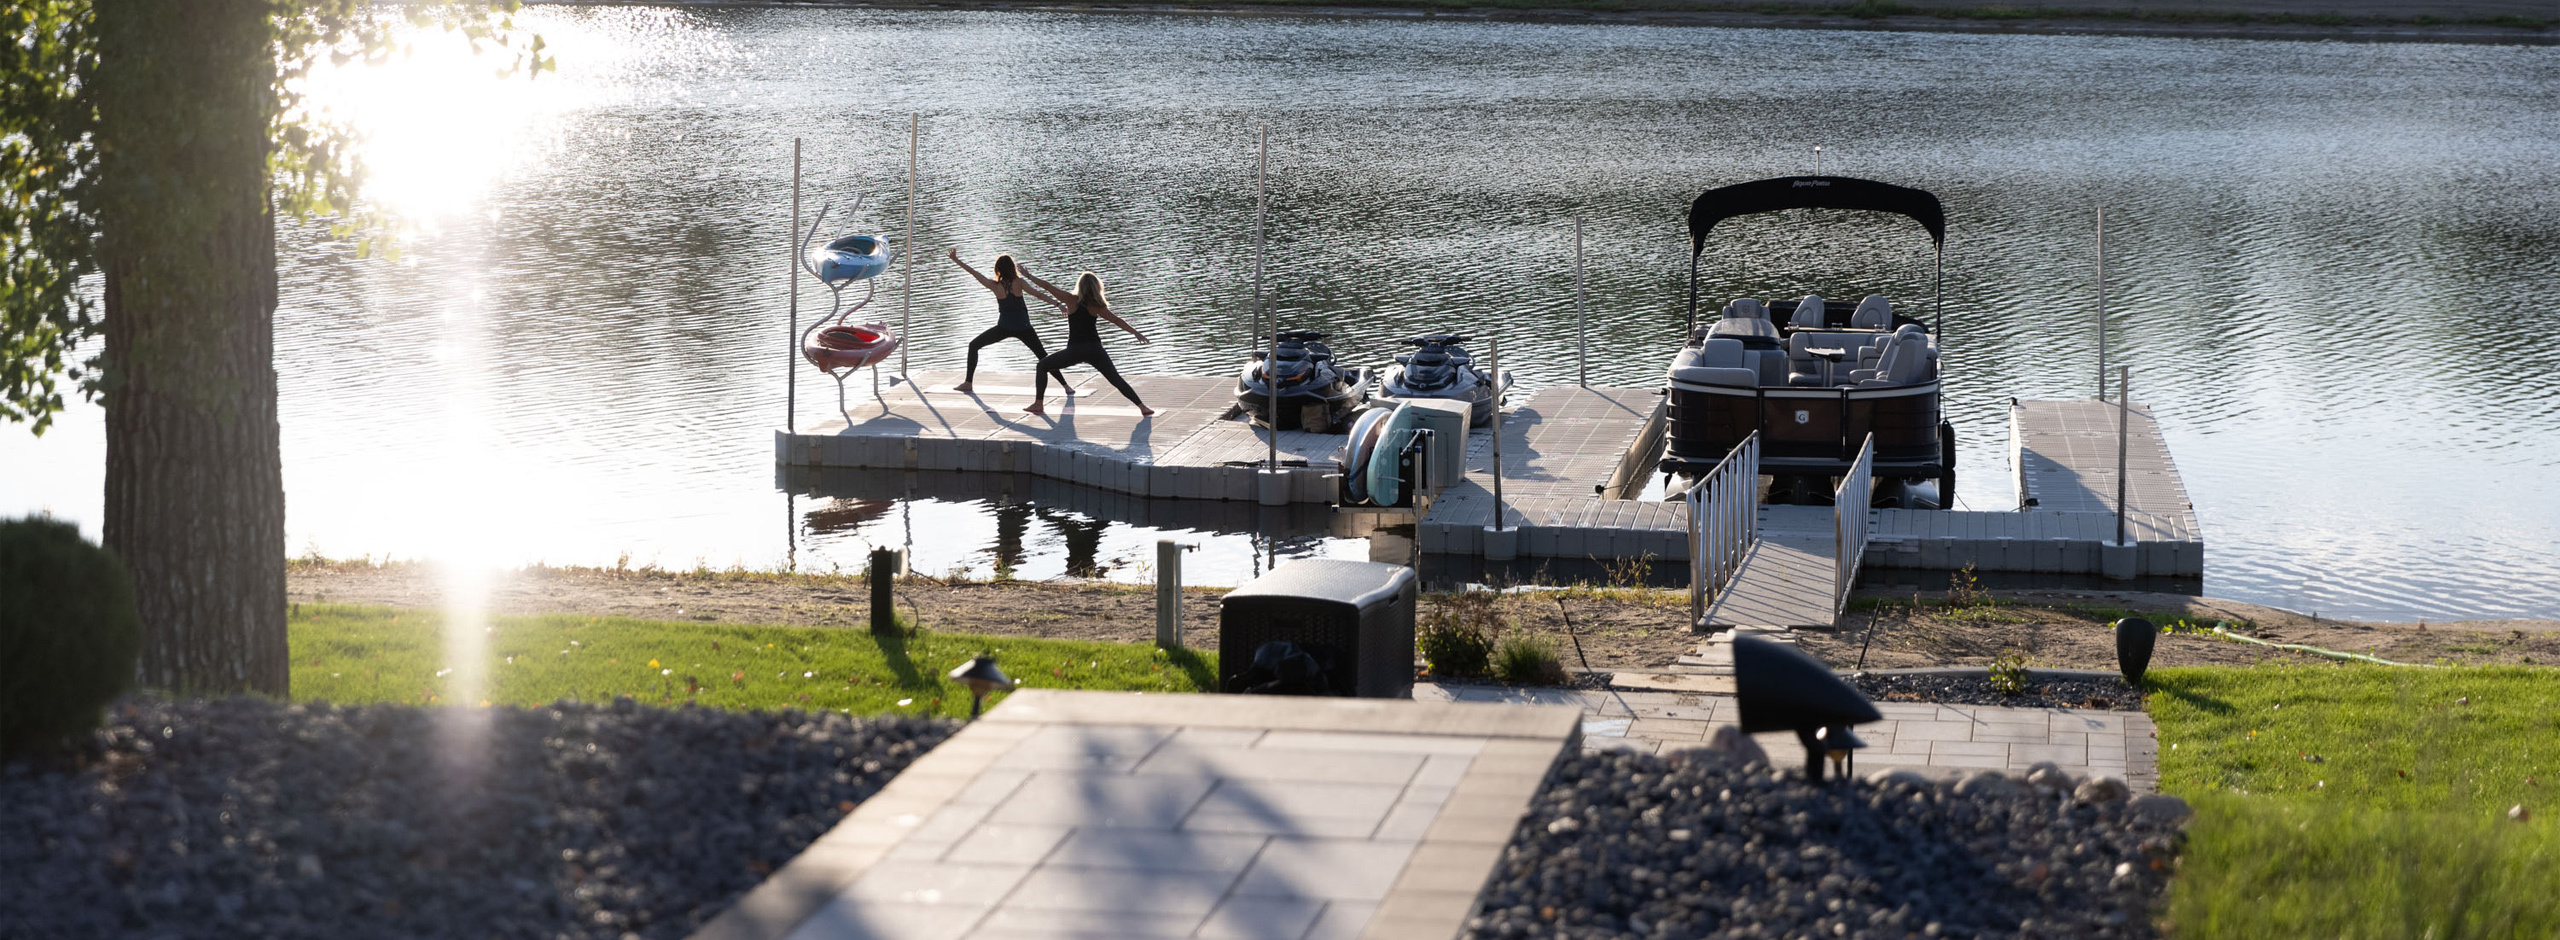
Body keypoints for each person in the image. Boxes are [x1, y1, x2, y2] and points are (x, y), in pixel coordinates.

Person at [1017, 268, 1152, 417]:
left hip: (1075, 351)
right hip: (1095, 350)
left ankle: (1038, 404)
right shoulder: (1097, 306)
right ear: (1096, 287)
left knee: (1042, 365)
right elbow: (1116, 320)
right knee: (1116, 379)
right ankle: (1143, 407)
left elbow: (1048, 287)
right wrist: (1136, 333)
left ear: (1079, 286)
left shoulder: (1071, 300)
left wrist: (1029, 276)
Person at [945, 249, 1068, 395]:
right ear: (1012, 268)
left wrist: (956, 260)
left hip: (1004, 327)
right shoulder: (1019, 283)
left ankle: (968, 383)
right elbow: (1039, 294)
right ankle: (1066, 386)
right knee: (1043, 356)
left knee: (974, 345)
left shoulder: (995, 286)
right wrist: (1058, 305)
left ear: (997, 269)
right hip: (1024, 328)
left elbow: (974, 272)